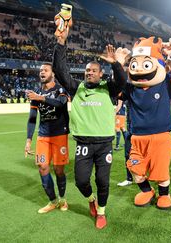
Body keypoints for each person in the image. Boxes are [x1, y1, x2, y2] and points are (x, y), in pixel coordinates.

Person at [53, 27, 128, 229]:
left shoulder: (108, 88)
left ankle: (101, 212)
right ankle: (91, 199)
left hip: (104, 145)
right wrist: (61, 43)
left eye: (93, 70)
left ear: (100, 73)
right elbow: (59, 70)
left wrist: (116, 65)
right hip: (83, 144)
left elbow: (121, 81)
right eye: (87, 71)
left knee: (103, 180)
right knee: (80, 181)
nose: (89, 73)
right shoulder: (76, 87)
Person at [116, 37, 171, 210]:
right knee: (134, 168)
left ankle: (164, 194)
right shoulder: (130, 87)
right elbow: (116, 87)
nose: (139, 69)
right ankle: (147, 191)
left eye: (145, 64)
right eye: (134, 64)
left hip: (160, 137)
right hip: (137, 138)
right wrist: (118, 65)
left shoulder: (163, 84)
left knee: (161, 173)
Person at [24, 62, 69, 214]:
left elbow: (61, 104)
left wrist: (41, 98)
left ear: (53, 73)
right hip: (43, 135)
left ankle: (63, 199)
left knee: (58, 170)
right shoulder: (36, 93)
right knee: (43, 168)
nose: (42, 72)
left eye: (45, 70)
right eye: (40, 70)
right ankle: (53, 201)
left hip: (59, 134)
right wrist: (29, 140)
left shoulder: (60, 89)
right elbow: (32, 118)